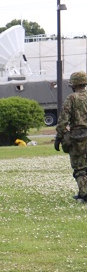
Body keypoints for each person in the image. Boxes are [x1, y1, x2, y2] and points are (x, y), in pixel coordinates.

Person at [55, 71, 87, 201]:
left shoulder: (72, 98)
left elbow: (63, 121)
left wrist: (59, 137)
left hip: (78, 137)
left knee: (79, 167)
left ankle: (84, 194)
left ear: (73, 85)